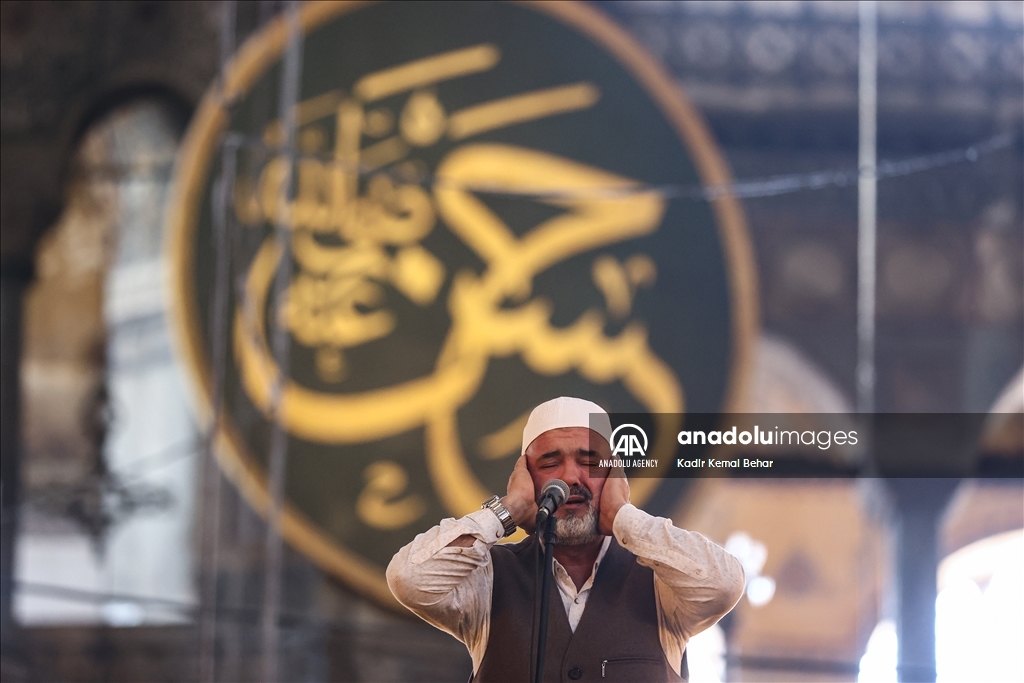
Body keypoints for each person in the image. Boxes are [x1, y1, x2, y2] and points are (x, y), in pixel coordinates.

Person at [387, 397, 745, 682]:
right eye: (550, 463)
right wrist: (507, 510)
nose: (571, 477)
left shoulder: (661, 582)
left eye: (589, 461)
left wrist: (624, 516)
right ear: (525, 477)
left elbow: (725, 583)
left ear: (614, 474)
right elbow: (409, 578)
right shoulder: (488, 579)